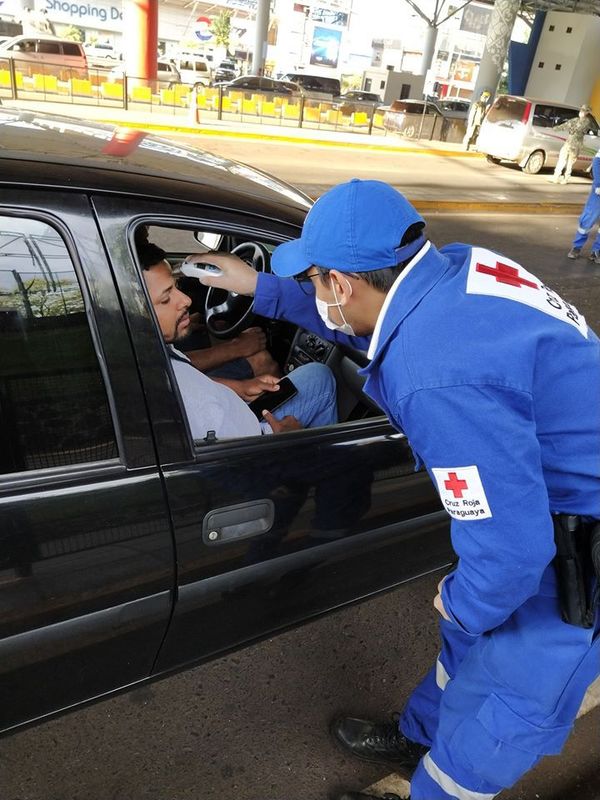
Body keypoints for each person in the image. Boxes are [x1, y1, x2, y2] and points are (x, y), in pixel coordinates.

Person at [197, 179, 600, 800]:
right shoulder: (453, 266)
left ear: (343, 283)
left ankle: (440, 784)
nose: (315, 293)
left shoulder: (437, 376)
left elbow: (513, 548)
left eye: (312, 281)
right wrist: (265, 290)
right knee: (468, 638)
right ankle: (420, 731)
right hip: (548, 495)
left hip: (580, 547)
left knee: (503, 713)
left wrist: (467, 603)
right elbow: (370, 323)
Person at [137, 237, 337, 439]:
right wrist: (289, 438)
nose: (186, 300)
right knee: (321, 379)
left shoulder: (146, 352)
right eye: (165, 298)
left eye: (177, 286)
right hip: (257, 435)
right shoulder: (195, 404)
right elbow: (244, 451)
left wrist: (239, 387)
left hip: (233, 408)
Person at [568, 147, 600, 264]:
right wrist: (598, 184)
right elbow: (597, 162)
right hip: (598, 193)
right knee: (587, 220)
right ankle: (577, 246)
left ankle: (597, 251)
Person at [550, 105, 593, 184]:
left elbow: (578, 129)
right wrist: (555, 129)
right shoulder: (576, 120)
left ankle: (566, 178)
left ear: (587, 112)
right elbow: (566, 124)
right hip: (568, 143)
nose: (581, 112)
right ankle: (556, 177)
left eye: (583, 111)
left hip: (576, 146)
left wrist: (571, 127)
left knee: (570, 163)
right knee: (561, 160)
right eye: (581, 110)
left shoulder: (587, 122)